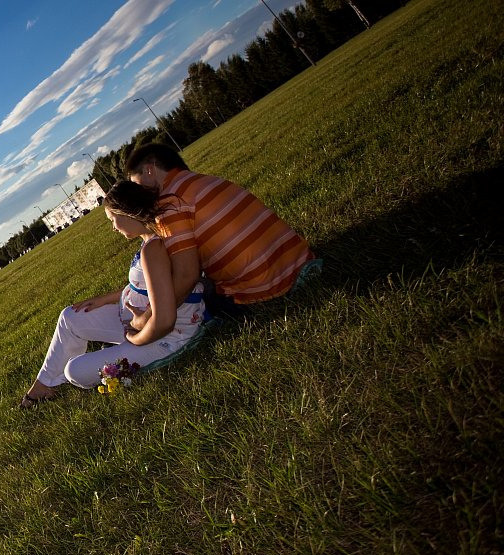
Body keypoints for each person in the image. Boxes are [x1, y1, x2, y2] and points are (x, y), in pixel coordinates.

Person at [18, 180, 206, 408]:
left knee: (74, 371)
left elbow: (164, 321)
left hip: (165, 336)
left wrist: (134, 339)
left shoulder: (153, 250)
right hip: (137, 323)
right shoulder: (151, 241)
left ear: (127, 213)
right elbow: (148, 287)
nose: (113, 228)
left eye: (113, 220)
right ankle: (44, 385)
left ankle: (121, 355)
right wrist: (105, 300)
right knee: (70, 316)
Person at [124, 143, 317, 319]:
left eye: (136, 185)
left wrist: (147, 318)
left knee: (195, 297)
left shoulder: (169, 203)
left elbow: (186, 276)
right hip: (299, 260)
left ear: (149, 170)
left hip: (262, 288)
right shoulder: (202, 180)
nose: (138, 194)